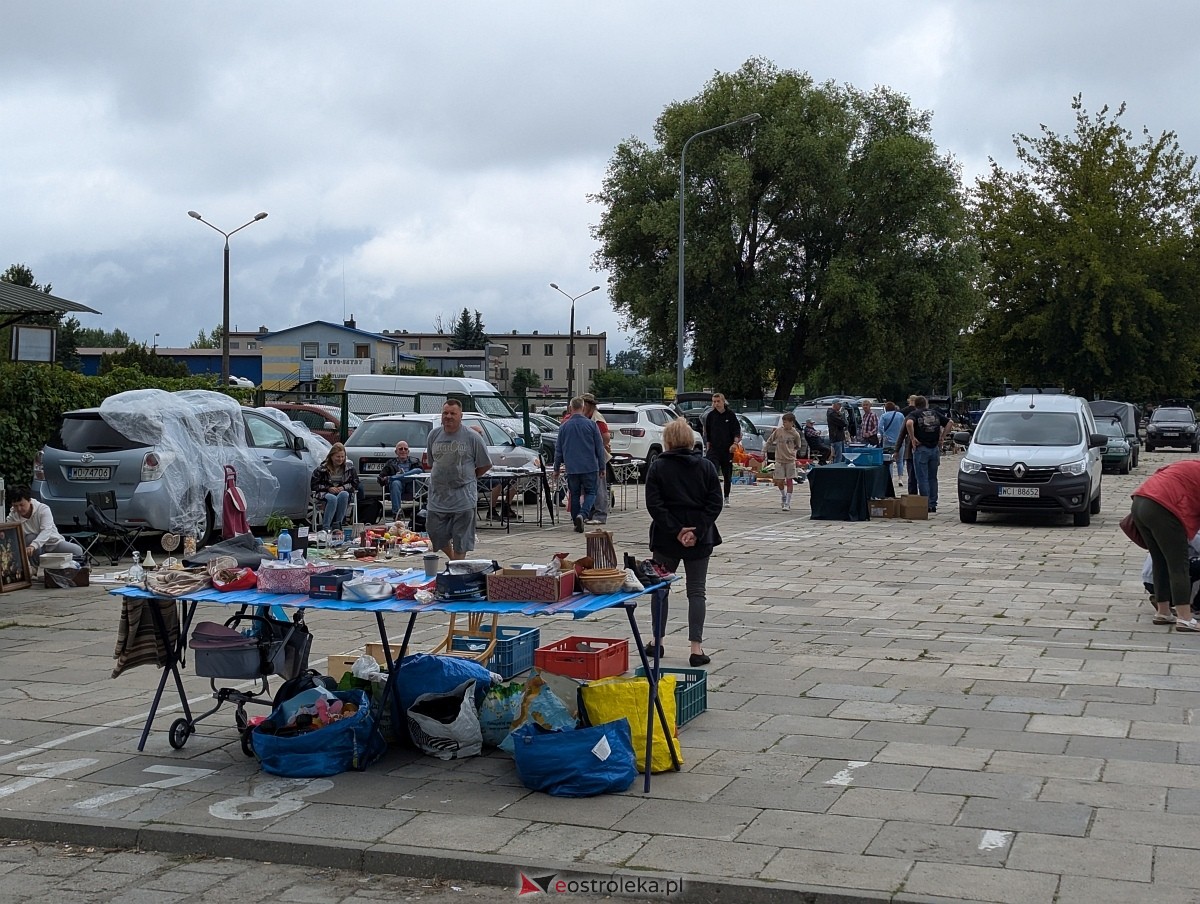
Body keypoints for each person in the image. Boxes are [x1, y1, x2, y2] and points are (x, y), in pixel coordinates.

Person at [645, 418, 723, 667]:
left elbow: (654, 504)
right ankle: (696, 648)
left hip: (666, 539)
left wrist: (676, 530)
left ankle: (657, 642)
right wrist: (696, 531)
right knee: (697, 591)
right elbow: (715, 503)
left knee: (660, 591)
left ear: (667, 441)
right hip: (700, 540)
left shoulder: (658, 467)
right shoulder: (706, 467)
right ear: (690, 440)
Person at [1129, 461, 1200, 631]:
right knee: (1178, 565)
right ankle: (1184, 617)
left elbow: (1160, 473)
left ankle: (1163, 612)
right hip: (1164, 507)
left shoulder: (1190, 465)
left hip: (1140, 502)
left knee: (1159, 559)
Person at [426, 400, 492, 560]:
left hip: (463, 497)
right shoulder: (434, 435)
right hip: (438, 497)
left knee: (461, 538)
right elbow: (431, 462)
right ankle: (455, 561)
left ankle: (458, 567)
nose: (448, 417)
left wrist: (470, 477)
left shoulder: (472, 437)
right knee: (435, 532)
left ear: (460, 416)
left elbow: (485, 464)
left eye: (452, 413)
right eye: (445, 413)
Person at [553, 397, 606, 533]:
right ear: (583, 408)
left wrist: (556, 468)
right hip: (590, 466)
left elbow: (558, 449)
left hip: (572, 467)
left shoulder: (564, 427)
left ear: (570, 408)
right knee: (591, 492)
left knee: (574, 494)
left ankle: (576, 521)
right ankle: (582, 515)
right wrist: (602, 466)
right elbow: (599, 448)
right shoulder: (591, 425)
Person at [5, 486, 83, 565]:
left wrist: (33, 545)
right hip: (32, 548)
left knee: (77, 551)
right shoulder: (13, 515)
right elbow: (9, 533)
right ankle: (34, 568)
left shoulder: (43, 509)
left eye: (22, 505)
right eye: (15, 506)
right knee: (30, 537)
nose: (19, 509)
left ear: (29, 500)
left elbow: (46, 531)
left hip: (52, 543)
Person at [904, 396, 951, 513]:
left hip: (921, 448)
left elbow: (909, 423)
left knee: (922, 478)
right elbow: (950, 422)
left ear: (915, 404)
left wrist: (912, 437)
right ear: (926, 404)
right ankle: (933, 503)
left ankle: (926, 504)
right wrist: (942, 437)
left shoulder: (914, 414)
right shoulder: (935, 413)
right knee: (932, 477)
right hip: (934, 448)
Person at [310, 442, 360, 532]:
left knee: (344, 494)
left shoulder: (350, 468)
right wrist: (328, 488)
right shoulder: (321, 469)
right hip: (324, 492)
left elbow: (355, 483)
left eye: (342, 457)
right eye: (338, 457)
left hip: (342, 492)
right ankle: (326, 528)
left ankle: (337, 525)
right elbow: (314, 485)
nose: (340, 459)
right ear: (331, 456)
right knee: (332, 498)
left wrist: (344, 487)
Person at [702, 392, 741, 505]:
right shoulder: (710, 416)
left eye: (718, 401)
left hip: (727, 449)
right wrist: (708, 445)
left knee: (727, 475)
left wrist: (735, 443)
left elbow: (736, 431)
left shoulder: (730, 415)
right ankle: (712, 496)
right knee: (712, 472)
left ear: (723, 401)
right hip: (714, 449)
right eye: (714, 401)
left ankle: (726, 497)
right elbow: (707, 433)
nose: (716, 404)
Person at [581, 393, 613, 524]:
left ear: (588, 405)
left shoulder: (597, 419)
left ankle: (600, 515)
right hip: (589, 457)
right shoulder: (589, 417)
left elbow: (606, 437)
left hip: (596, 457)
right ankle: (591, 513)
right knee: (591, 487)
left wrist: (594, 445)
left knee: (599, 487)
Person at [764, 412, 803, 511]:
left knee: (789, 480)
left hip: (790, 460)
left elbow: (798, 445)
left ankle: (788, 502)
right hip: (779, 459)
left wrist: (793, 452)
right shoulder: (778, 431)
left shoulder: (795, 434)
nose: (784, 424)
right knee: (779, 480)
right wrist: (764, 449)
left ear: (791, 423)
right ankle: (783, 495)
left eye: (785, 422)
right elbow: (770, 440)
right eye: (783, 422)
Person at [377, 441, 423, 519]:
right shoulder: (390, 463)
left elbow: (422, 475)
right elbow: (381, 478)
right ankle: (397, 514)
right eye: (400, 449)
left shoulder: (415, 461)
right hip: (398, 488)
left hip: (412, 486)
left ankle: (394, 477)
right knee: (396, 483)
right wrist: (399, 477)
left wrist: (396, 476)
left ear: (408, 451)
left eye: (405, 449)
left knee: (418, 470)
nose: (403, 451)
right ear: (396, 452)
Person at [879, 401, 907, 479]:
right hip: (900, 441)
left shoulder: (884, 416)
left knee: (889, 460)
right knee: (900, 460)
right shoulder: (901, 415)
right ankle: (900, 478)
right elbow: (904, 426)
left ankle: (889, 478)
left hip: (887, 441)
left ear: (886, 408)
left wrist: (884, 435)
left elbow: (880, 427)